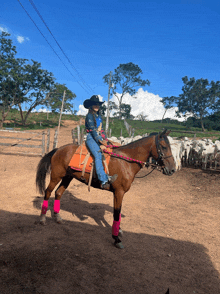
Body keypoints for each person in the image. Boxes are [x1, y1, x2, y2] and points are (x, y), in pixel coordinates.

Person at [83, 95, 118, 189]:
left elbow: (102, 130)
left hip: (98, 138)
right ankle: (103, 180)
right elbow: (93, 131)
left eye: (98, 104)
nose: (96, 106)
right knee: (98, 155)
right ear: (91, 106)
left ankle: (106, 174)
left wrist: (106, 141)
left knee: (108, 151)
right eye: (94, 104)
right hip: (91, 138)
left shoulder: (99, 117)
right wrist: (100, 143)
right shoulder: (89, 116)